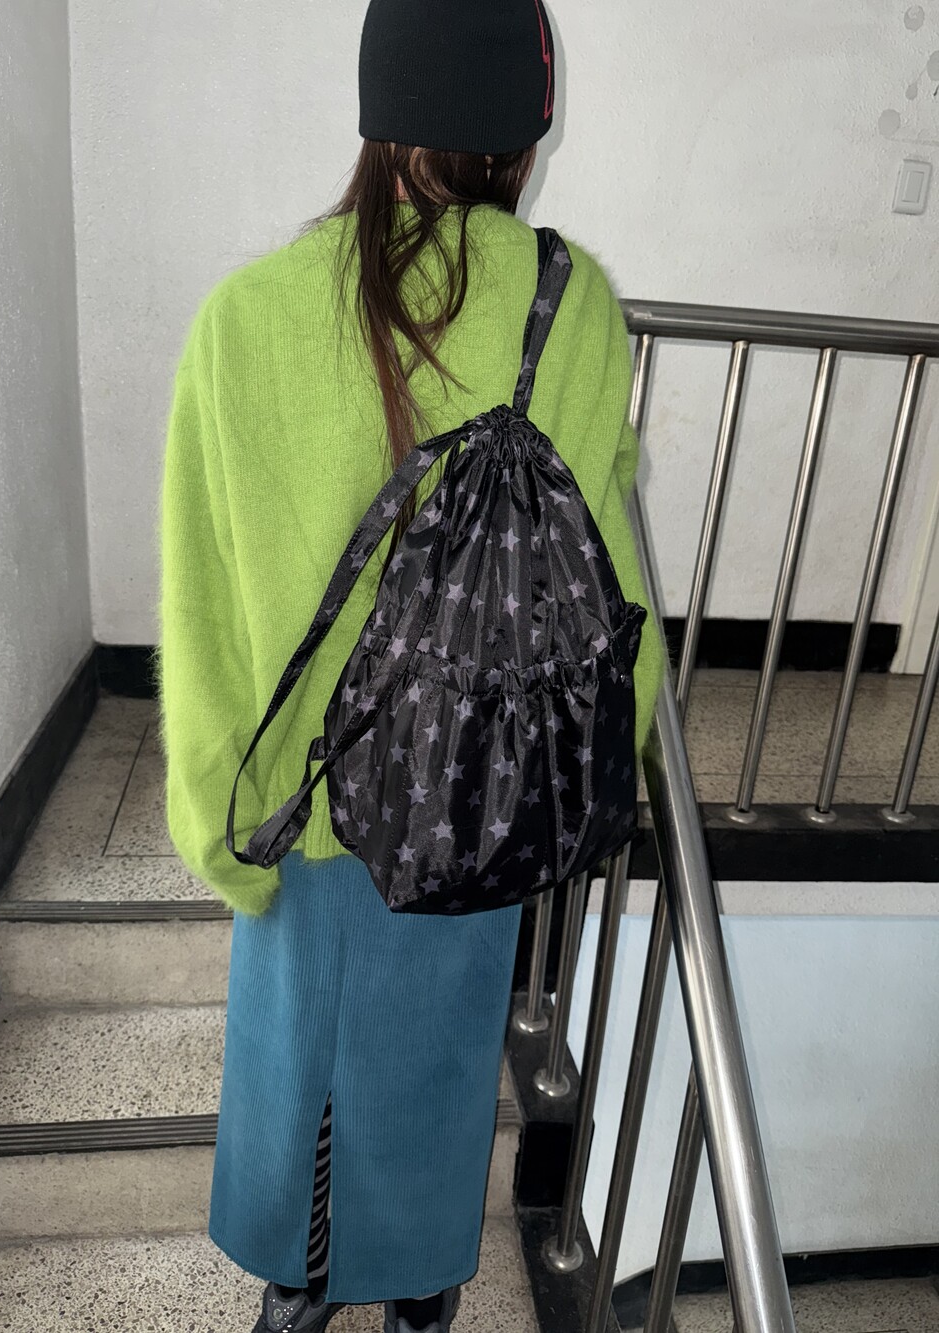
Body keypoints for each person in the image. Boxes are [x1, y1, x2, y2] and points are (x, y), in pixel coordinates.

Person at [155, 1, 665, 1330]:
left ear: (375, 109)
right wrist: (603, 755)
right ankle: (424, 1293)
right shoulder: (575, 305)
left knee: (298, 1057)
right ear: (523, 135)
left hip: (306, 800)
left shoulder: (245, 318)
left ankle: (300, 1287)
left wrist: (217, 822)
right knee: (437, 1058)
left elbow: (201, 615)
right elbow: (609, 580)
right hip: (476, 792)